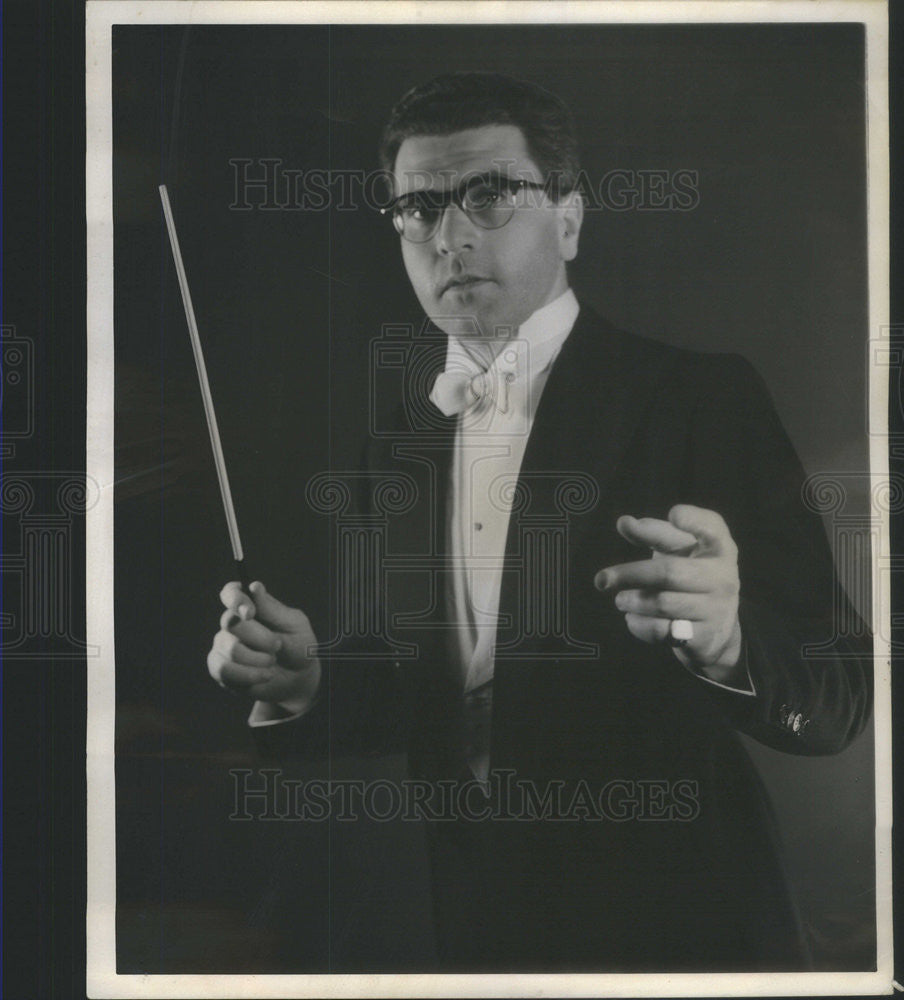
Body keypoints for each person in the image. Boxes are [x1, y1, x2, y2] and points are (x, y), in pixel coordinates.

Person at [206, 72, 872, 971]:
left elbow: (839, 696)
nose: (449, 236)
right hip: (480, 928)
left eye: (488, 196)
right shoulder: (395, 440)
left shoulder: (700, 397)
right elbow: (437, 690)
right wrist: (305, 680)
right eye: (418, 206)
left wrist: (728, 642)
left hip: (688, 927)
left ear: (568, 218)